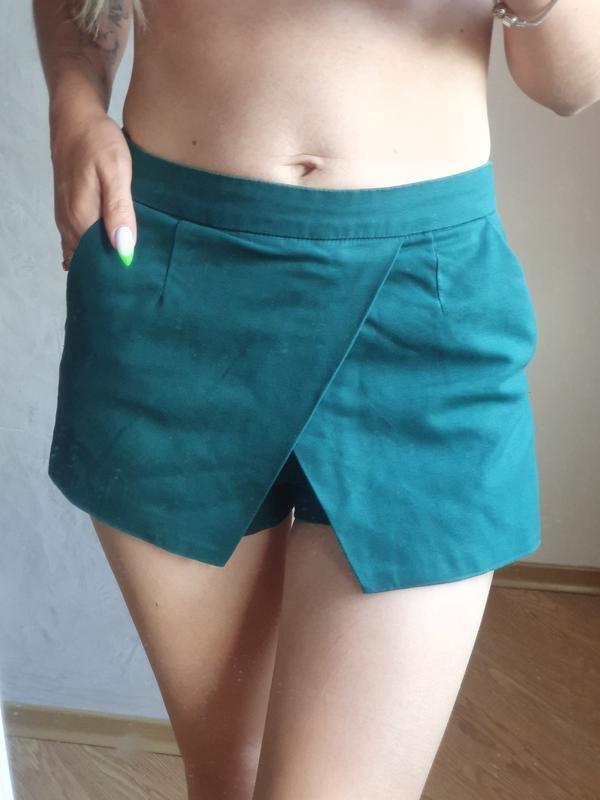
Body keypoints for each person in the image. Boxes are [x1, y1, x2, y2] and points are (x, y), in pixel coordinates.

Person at [32, 1, 591, 798]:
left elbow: (574, 82)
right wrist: (73, 104)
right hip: (173, 283)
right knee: (228, 775)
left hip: (423, 310)